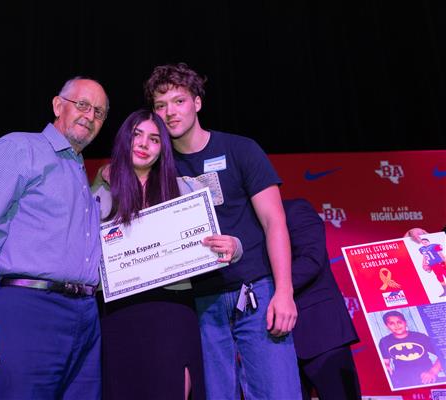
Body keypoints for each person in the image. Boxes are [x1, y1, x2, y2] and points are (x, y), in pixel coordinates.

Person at [144, 62, 301, 399]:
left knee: (278, 391)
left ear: (197, 102)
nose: (170, 112)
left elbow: (275, 222)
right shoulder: (158, 165)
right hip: (198, 302)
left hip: (255, 292)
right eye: (160, 105)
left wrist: (284, 291)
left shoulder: (241, 149)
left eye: (178, 101)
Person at [0, 77, 109, 399]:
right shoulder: (20, 149)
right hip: (27, 309)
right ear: (57, 105)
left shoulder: (80, 174)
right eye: (82, 105)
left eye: (99, 112)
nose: (90, 116)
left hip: (85, 316)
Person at [92, 109, 243, 400]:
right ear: (124, 139)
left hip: (171, 309)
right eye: (136, 135)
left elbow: (218, 238)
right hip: (119, 313)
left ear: (163, 149)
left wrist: (233, 247)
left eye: (154, 139)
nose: (144, 144)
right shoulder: (98, 193)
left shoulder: (183, 187)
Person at [283, 198, 361, 399]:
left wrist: (267, 289)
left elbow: (310, 260)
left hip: (320, 332)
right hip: (274, 343)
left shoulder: (293, 209)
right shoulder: (243, 226)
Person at [379, 310, 444, 388]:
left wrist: (433, 371)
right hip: (401, 379)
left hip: (425, 375)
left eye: (399, 322)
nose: (397, 325)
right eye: (392, 323)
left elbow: (442, 353)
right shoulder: (385, 341)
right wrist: (385, 366)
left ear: (405, 322)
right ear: (387, 326)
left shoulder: (420, 337)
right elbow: (386, 361)